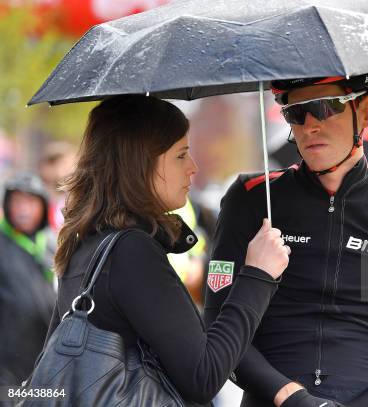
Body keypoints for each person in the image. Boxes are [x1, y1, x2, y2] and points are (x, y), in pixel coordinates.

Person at [204, 74, 368, 407]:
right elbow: (217, 329)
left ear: (367, 110)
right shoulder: (252, 199)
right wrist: (294, 399)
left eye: (324, 108)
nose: (309, 126)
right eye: (295, 113)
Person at [44, 95, 291, 406]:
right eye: (180, 155)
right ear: (141, 163)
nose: (193, 167)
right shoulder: (131, 252)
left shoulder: (88, 240)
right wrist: (258, 275)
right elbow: (204, 376)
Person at [0, 172, 56, 385]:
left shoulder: (54, 243)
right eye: (17, 202)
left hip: (46, 359)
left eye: (31, 202)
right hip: (7, 363)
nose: (24, 209)